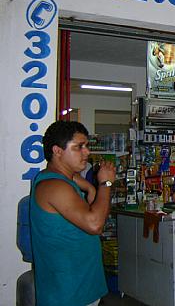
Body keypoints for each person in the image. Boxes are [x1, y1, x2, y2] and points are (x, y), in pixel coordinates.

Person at [30, 121, 116, 306]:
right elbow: (95, 224)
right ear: (57, 151)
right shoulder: (55, 186)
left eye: (86, 146)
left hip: (81, 287)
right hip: (67, 293)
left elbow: (93, 212)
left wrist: (90, 189)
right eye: (79, 147)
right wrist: (105, 184)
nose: (87, 152)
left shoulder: (63, 181)